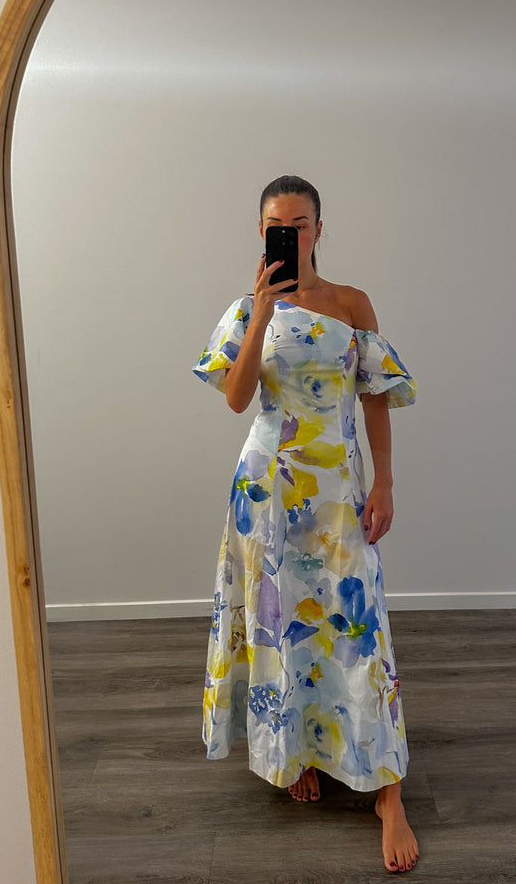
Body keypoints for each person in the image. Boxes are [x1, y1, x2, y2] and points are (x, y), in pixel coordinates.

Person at [192, 175, 419, 873]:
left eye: (298, 223)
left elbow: (375, 396)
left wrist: (384, 481)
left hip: (338, 490)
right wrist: (262, 312)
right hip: (268, 489)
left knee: (360, 626)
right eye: (274, 226)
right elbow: (236, 399)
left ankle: (389, 794)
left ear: (319, 228)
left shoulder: (352, 303)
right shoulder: (246, 309)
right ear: (261, 232)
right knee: (284, 620)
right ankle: (298, 751)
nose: (287, 233)